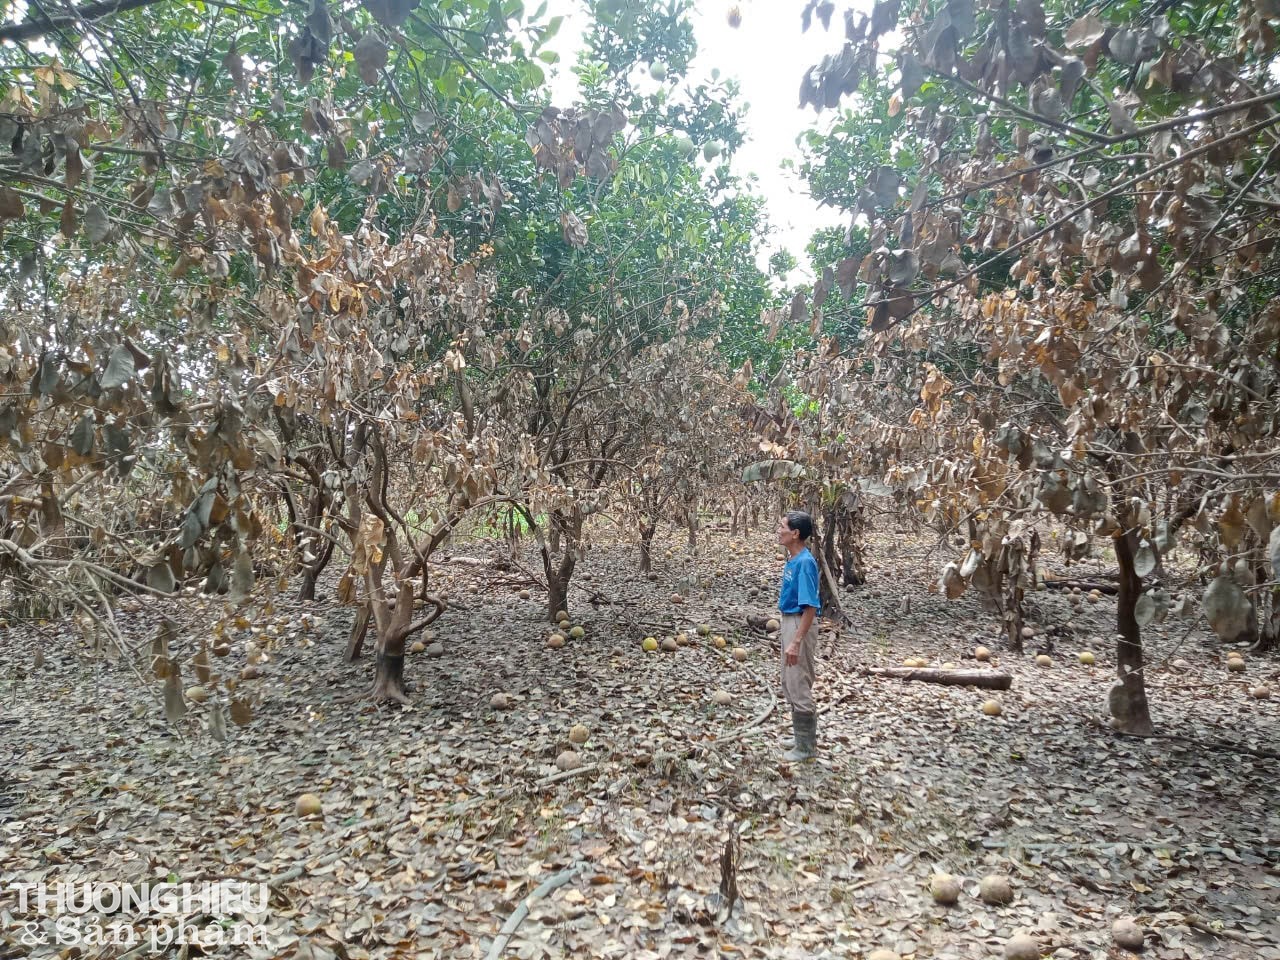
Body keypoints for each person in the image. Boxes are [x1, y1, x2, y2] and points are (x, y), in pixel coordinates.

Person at [776, 510, 821, 762]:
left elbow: (811, 606)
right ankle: (799, 736)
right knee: (788, 681)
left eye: (783, 526)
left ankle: (807, 747)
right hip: (789, 621)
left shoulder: (804, 563)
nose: (778, 530)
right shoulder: (793, 559)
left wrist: (796, 641)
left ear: (795, 533)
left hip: (799, 623)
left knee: (798, 681)